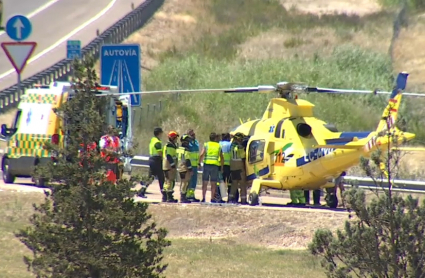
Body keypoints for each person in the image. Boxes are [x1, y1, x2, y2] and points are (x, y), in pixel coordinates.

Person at [139, 127, 165, 201]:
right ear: (159, 133)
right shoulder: (157, 142)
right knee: (161, 177)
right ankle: (164, 195)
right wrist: (164, 158)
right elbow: (160, 153)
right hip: (156, 160)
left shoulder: (153, 140)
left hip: (152, 159)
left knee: (151, 177)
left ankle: (142, 191)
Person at [199, 132, 224, 203]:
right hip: (215, 166)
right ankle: (212, 198)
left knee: (205, 183)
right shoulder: (218, 146)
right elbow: (222, 157)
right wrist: (221, 167)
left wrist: (199, 163)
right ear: (215, 138)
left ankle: (203, 198)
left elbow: (201, 154)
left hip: (206, 165)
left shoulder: (206, 144)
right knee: (213, 183)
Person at [229, 132, 248, 204]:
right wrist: (244, 169)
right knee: (243, 185)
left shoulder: (231, 146)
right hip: (239, 167)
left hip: (233, 167)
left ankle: (230, 199)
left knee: (234, 184)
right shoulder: (240, 147)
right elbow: (243, 158)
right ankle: (243, 200)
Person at [162, 131, 179, 203]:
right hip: (169, 166)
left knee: (167, 181)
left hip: (166, 165)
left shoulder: (169, 145)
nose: (176, 139)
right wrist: (172, 164)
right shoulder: (170, 146)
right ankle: (169, 197)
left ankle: (165, 197)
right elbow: (169, 155)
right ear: (173, 138)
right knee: (170, 181)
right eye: (176, 138)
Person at [177, 134, 193, 203]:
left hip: (180, 167)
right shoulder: (186, 150)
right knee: (185, 182)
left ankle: (182, 196)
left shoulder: (179, 148)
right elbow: (187, 160)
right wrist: (190, 169)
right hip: (184, 167)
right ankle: (183, 197)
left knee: (182, 182)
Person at [186, 128, 200, 202]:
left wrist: (198, 163)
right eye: (191, 134)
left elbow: (197, 154)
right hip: (190, 166)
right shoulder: (188, 143)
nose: (193, 135)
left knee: (194, 182)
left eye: (194, 134)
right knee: (189, 181)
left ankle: (192, 195)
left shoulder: (196, 142)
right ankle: (187, 195)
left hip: (195, 165)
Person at [219, 133, 232, 199]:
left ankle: (221, 196)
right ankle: (229, 197)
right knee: (229, 182)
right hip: (228, 165)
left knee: (221, 181)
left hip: (220, 165)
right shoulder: (230, 144)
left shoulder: (219, 144)